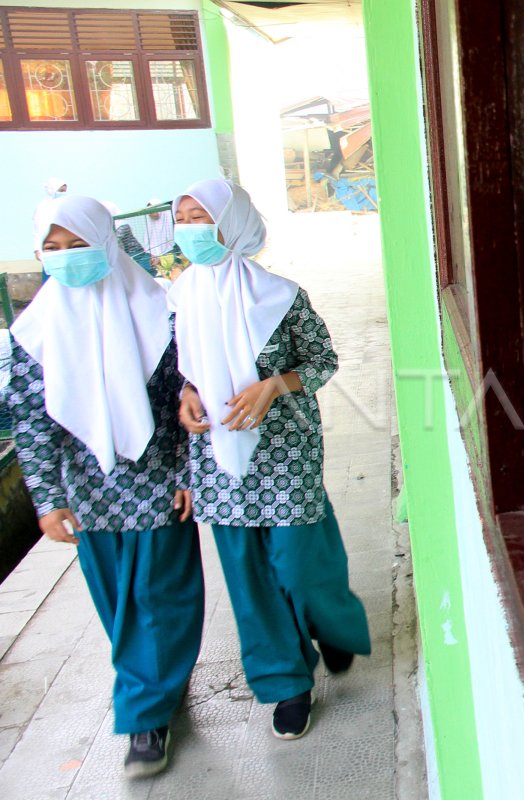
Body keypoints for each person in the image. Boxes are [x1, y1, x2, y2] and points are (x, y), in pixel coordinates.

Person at [5, 196, 203, 779]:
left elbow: (190, 398)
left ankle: (143, 719)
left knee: (161, 597)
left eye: (80, 246)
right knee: (120, 605)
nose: (67, 260)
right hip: (89, 493)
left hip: (158, 481)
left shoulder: (159, 313)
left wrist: (189, 472)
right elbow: (30, 423)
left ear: (108, 244)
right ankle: (160, 683)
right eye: (54, 250)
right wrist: (48, 499)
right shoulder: (33, 333)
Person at [170, 178, 370, 740]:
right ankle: (285, 683)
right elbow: (183, 368)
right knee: (248, 576)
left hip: (287, 451)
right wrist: (187, 394)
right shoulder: (180, 295)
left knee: (299, 564)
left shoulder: (281, 296)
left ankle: (329, 622)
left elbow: (324, 361)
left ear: (232, 223)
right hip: (216, 454)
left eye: (200, 217)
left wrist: (275, 386)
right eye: (181, 217)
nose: (188, 229)